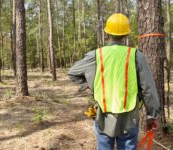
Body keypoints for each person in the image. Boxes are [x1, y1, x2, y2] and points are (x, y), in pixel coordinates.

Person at [68, 13, 160, 150]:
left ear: (107, 33)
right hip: (129, 117)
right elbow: (148, 89)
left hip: (103, 115)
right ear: (126, 34)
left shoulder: (96, 55)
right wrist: (152, 115)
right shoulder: (136, 56)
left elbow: (73, 72)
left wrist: (91, 85)